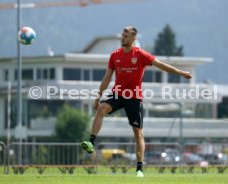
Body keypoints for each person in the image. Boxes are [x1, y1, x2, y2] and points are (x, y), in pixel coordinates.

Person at [81, 26, 192, 177]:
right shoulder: (115, 55)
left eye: (126, 36)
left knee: (138, 133)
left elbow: (160, 65)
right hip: (118, 94)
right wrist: (98, 97)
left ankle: (139, 168)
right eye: (122, 35)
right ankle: (91, 143)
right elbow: (107, 78)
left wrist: (181, 72)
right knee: (101, 108)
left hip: (134, 97)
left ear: (133, 38)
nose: (122, 38)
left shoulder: (140, 55)